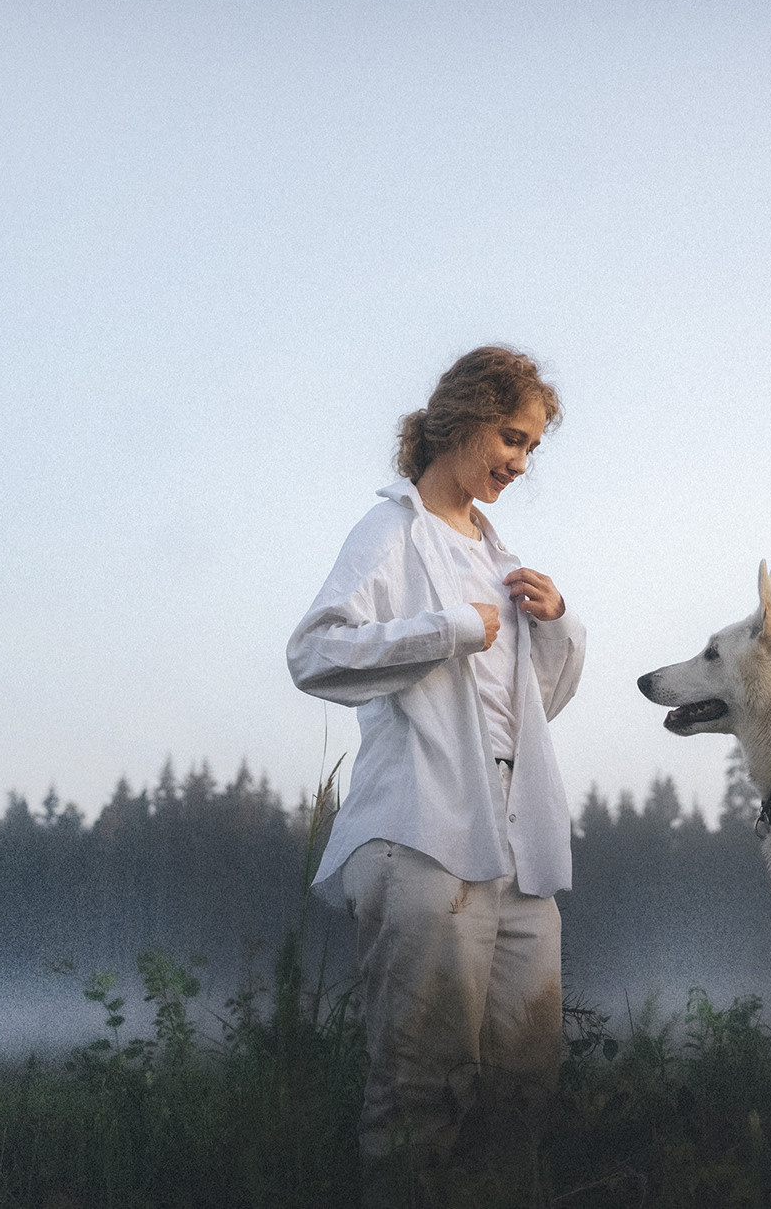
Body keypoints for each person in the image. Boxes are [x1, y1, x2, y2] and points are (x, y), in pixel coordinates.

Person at [286, 345, 583, 1189]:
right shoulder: (393, 530)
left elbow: (532, 709)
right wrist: (446, 629)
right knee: (421, 1083)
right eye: (511, 438)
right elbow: (315, 654)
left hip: (514, 838)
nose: (520, 463)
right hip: (420, 832)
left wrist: (558, 623)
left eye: (531, 448)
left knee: (524, 1078)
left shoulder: (499, 557)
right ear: (461, 420)